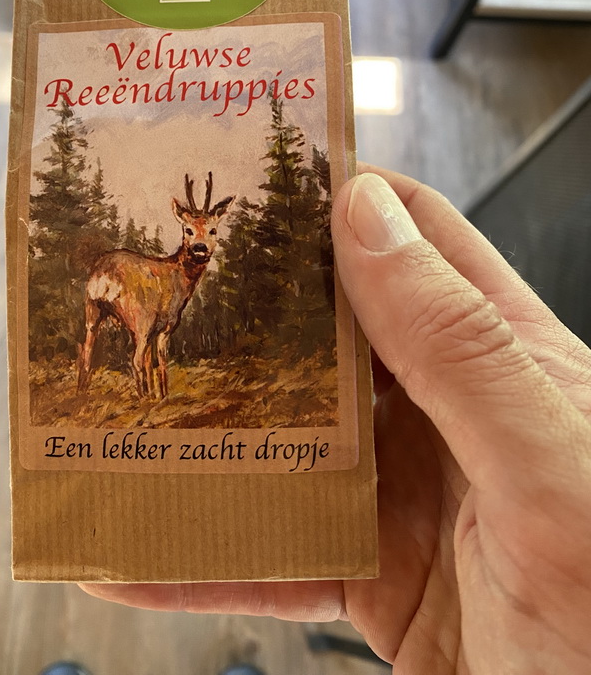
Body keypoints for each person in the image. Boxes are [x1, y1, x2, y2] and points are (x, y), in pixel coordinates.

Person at [79, 164, 591, 674]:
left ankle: (142, 390)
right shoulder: (156, 276)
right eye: (193, 232)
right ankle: (135, 388)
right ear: (181, 228)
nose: (201, 240)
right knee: (147, 340)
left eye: (209, 232)